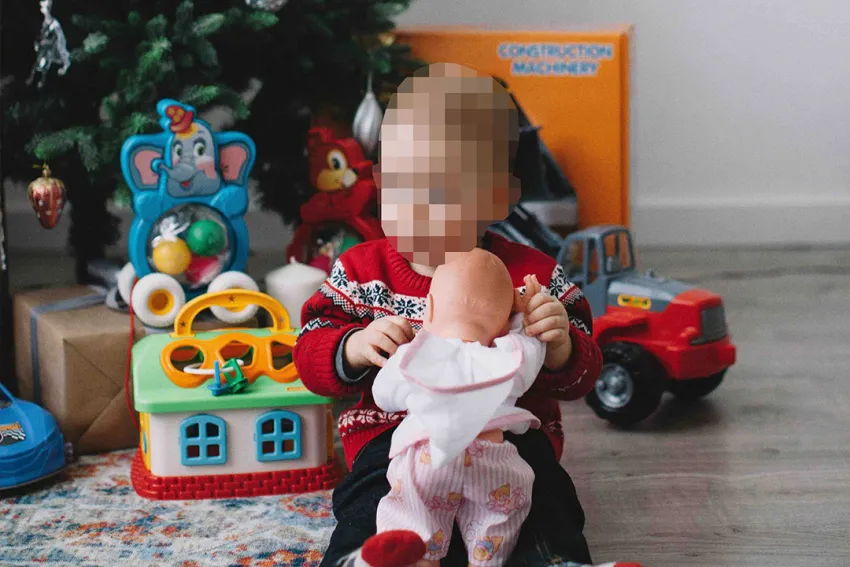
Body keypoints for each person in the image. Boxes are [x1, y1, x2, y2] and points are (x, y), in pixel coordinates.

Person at [294, 62, 639, 567]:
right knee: (367, 499)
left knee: (547, 499)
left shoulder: (532, 276)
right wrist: (353, 346)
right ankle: (363, 558)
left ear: (498, 196)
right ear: (378, 180)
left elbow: (584, 375)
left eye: (439, 194)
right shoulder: (360, 271)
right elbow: (308, 351)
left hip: (509, 438)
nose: (415, 208)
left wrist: (561, 344)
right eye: (400, 187)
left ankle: (557, 560)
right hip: (392, 438)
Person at [372, 249, 547, 567]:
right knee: (501, 515)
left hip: (428, 454)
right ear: (503, 324)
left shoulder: (415, 354)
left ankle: (420, 557)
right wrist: (523, 318)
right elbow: (533, 350)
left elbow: (384, 396)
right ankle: (485, 560)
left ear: (429, 308)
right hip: (491, 456)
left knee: (411, 509)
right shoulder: (507, 355)